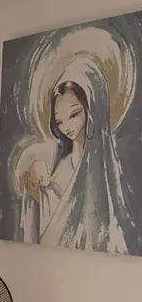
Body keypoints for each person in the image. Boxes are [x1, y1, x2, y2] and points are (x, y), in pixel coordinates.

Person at [16, 58, 139, 253]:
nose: (67, 128)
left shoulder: (112, 172)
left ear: (92, 107)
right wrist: (35, 192)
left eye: (74, 115)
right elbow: (57, 215)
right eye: (60, 121)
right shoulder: (63, 164)